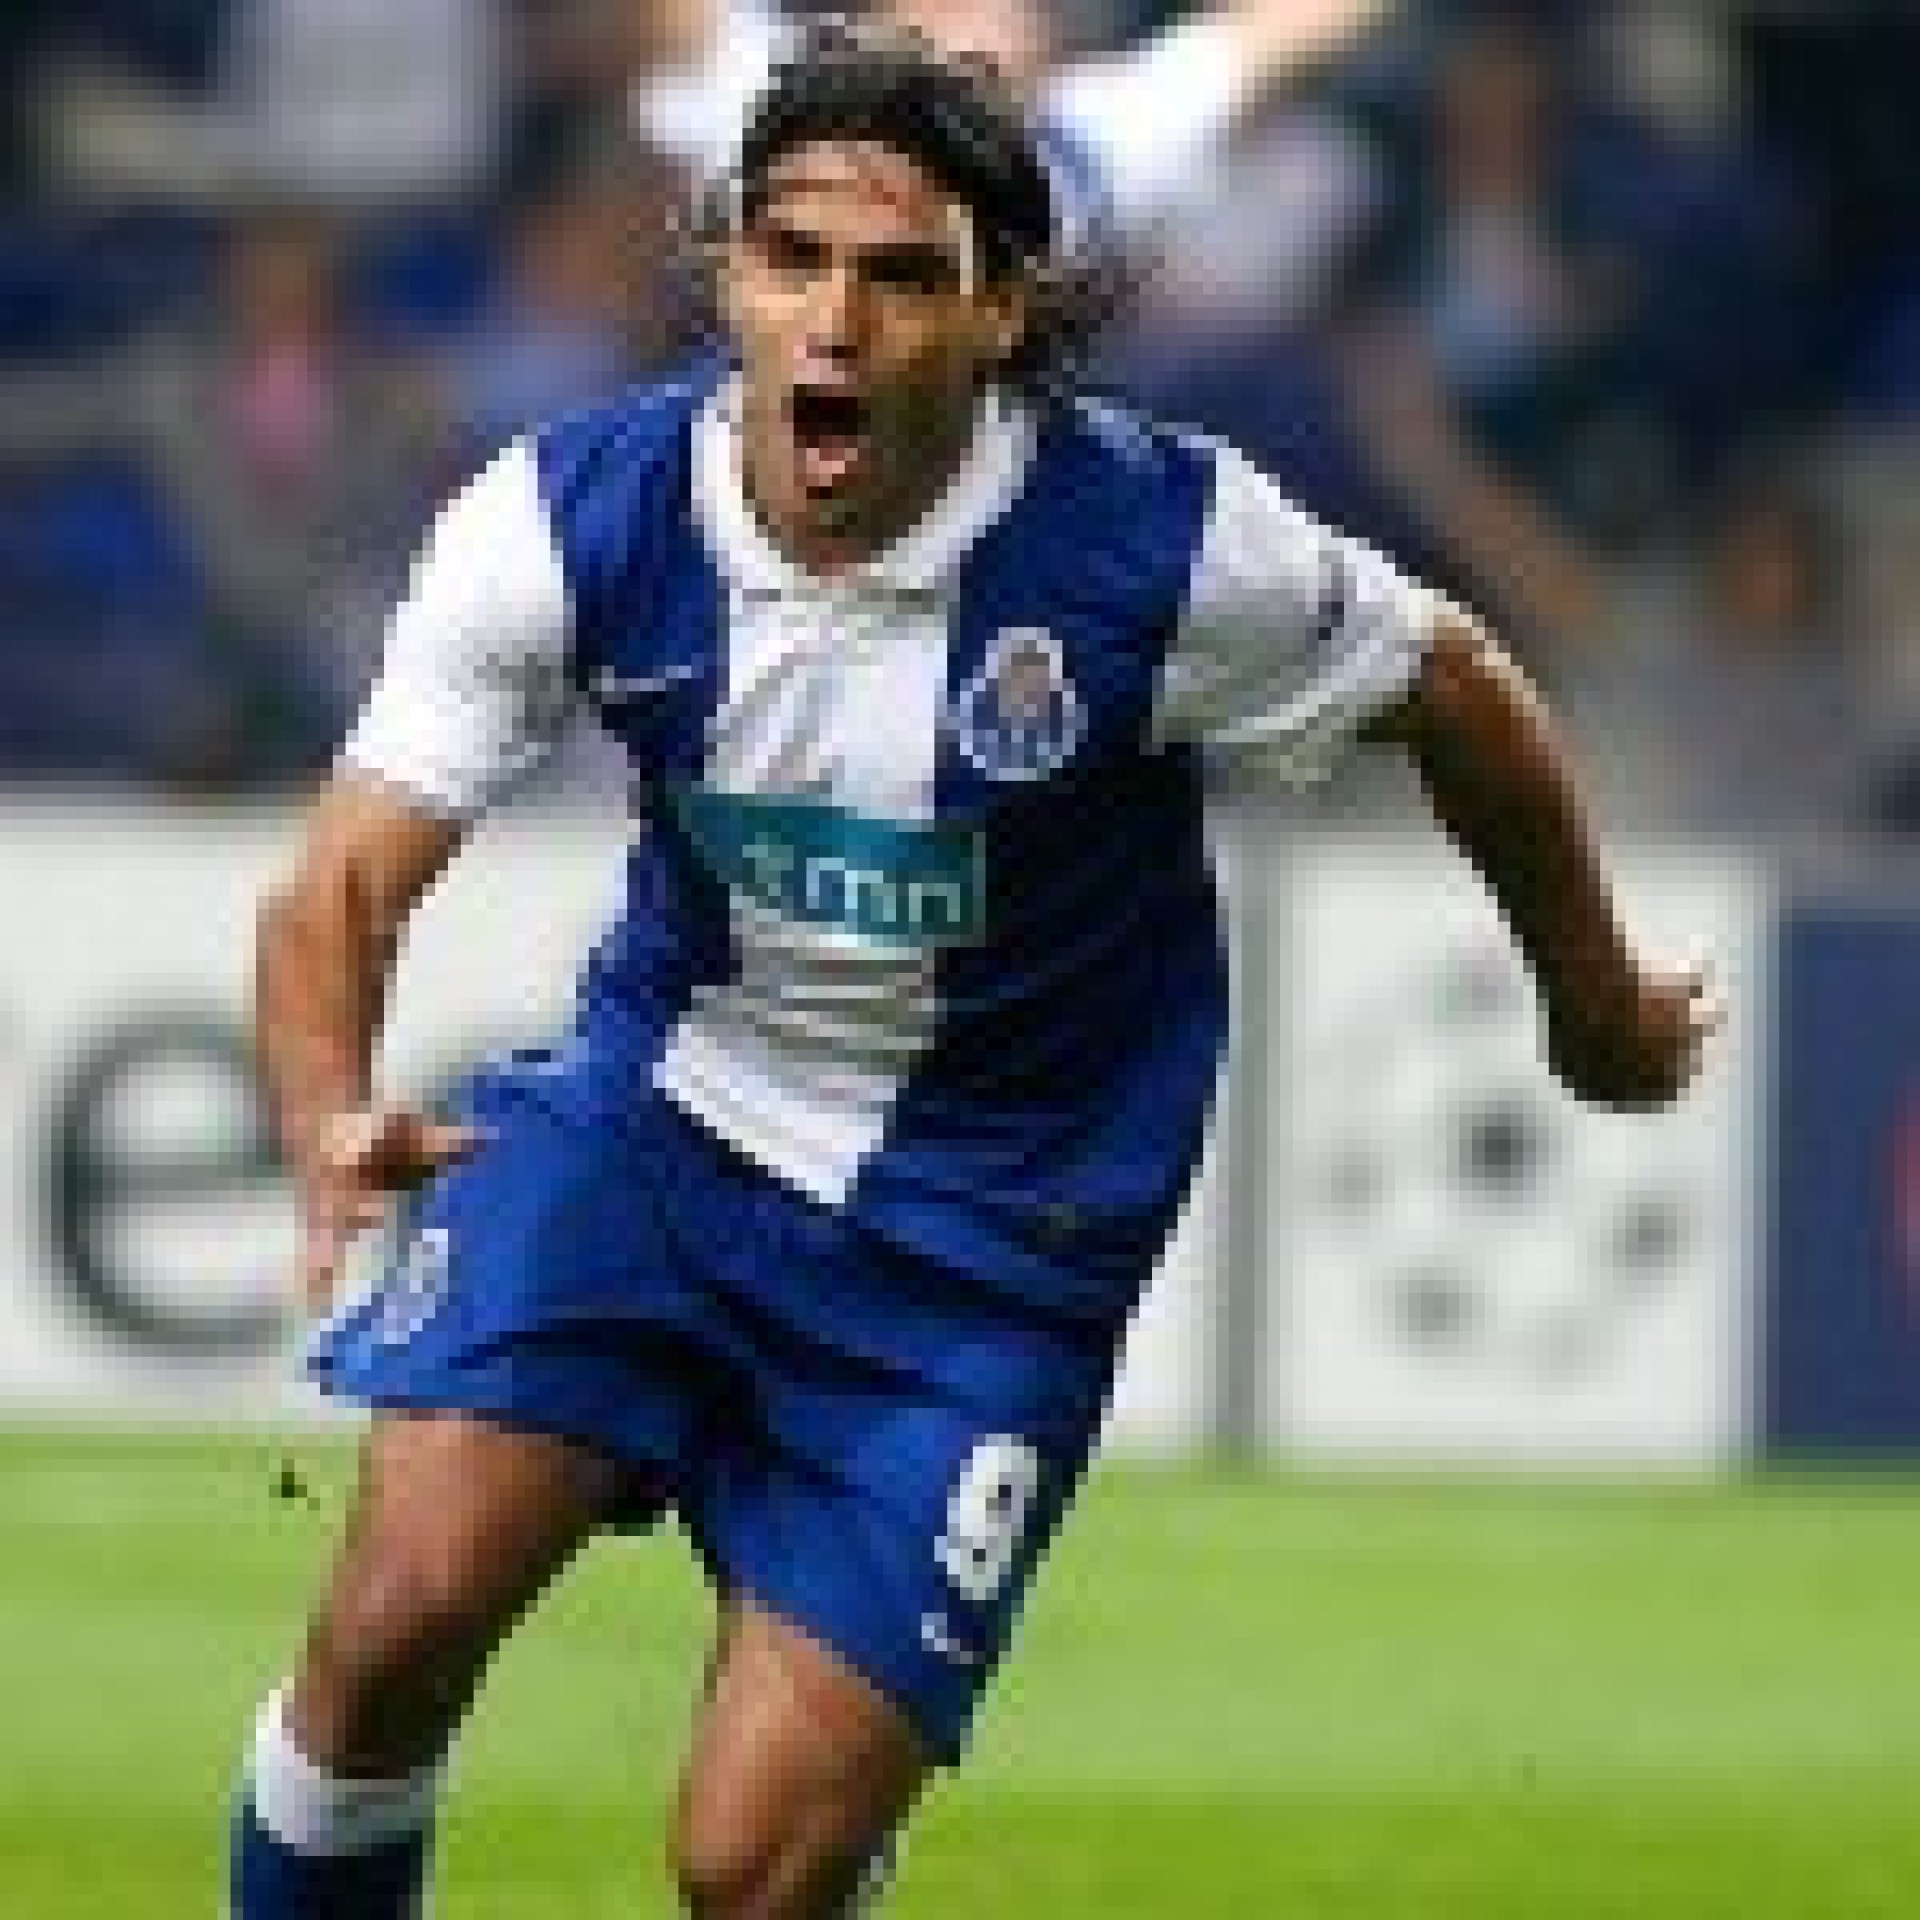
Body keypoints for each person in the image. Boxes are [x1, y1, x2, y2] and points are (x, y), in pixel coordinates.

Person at [232, 23, 1719, 1918]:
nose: (835, 324)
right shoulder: (564, 518)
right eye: (793, 261)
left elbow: (1463, 692)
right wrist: (323, 1113)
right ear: (728, 273)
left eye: (900, 276)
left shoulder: (1165, 550)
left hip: (990, 1236)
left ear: (1002, 310)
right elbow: (336, 891)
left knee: (753, 1869)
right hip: (659, 1126)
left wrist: (1594, 1003)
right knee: (398, 1616)